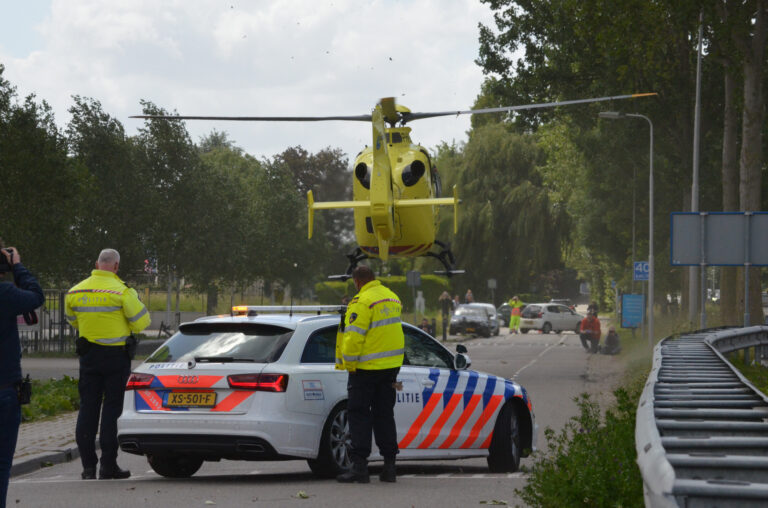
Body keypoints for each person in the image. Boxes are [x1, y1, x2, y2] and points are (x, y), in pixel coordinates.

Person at [65, 249, 151, 480]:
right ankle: (108, 466)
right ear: (116, 267)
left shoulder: (75, 291)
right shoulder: (123, 292)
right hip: (116, 357)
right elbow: (142, 322)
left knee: (87, 408)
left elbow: (73, 318)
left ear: (96, 264)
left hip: (88, 356)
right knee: (112, 409)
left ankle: (88, 467)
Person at [335, 265, 404, 484]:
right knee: (385, 414)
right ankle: (390, 467)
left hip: (365, 369)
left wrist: (348, 363)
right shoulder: (392, 298)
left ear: (357, 282)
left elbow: (354, 337)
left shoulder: (361, 302)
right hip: (391, 368)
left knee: (359, 415)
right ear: (373, 278)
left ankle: (360, 468)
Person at [0, 243, 44, 508]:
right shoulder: (5, 293)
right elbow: (35, 295)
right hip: (4, 390)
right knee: (3, 462)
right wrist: (18, 266)